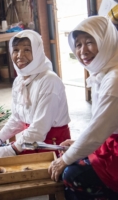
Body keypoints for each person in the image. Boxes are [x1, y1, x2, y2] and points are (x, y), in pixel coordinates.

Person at [48, 16, 118, 200]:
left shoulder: (114, 79)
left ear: (106, 41)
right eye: (78, 45)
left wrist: (66, 159)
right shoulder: (104, 72)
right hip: (110, 142)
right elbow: (101, 124)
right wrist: (79, 144)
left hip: (115, 150)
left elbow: (97, 132)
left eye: (89, 42)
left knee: (72, 175)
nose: (83, 51)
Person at [0, 30, 71, 158]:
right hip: (31, 141)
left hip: (51, 144)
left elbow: (39, 129)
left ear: (37, 52)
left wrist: (13, 149)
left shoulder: (49, 81)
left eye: (27, 50)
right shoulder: (20, 80)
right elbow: (17, 119)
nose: (20, 55)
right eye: (15, 50)